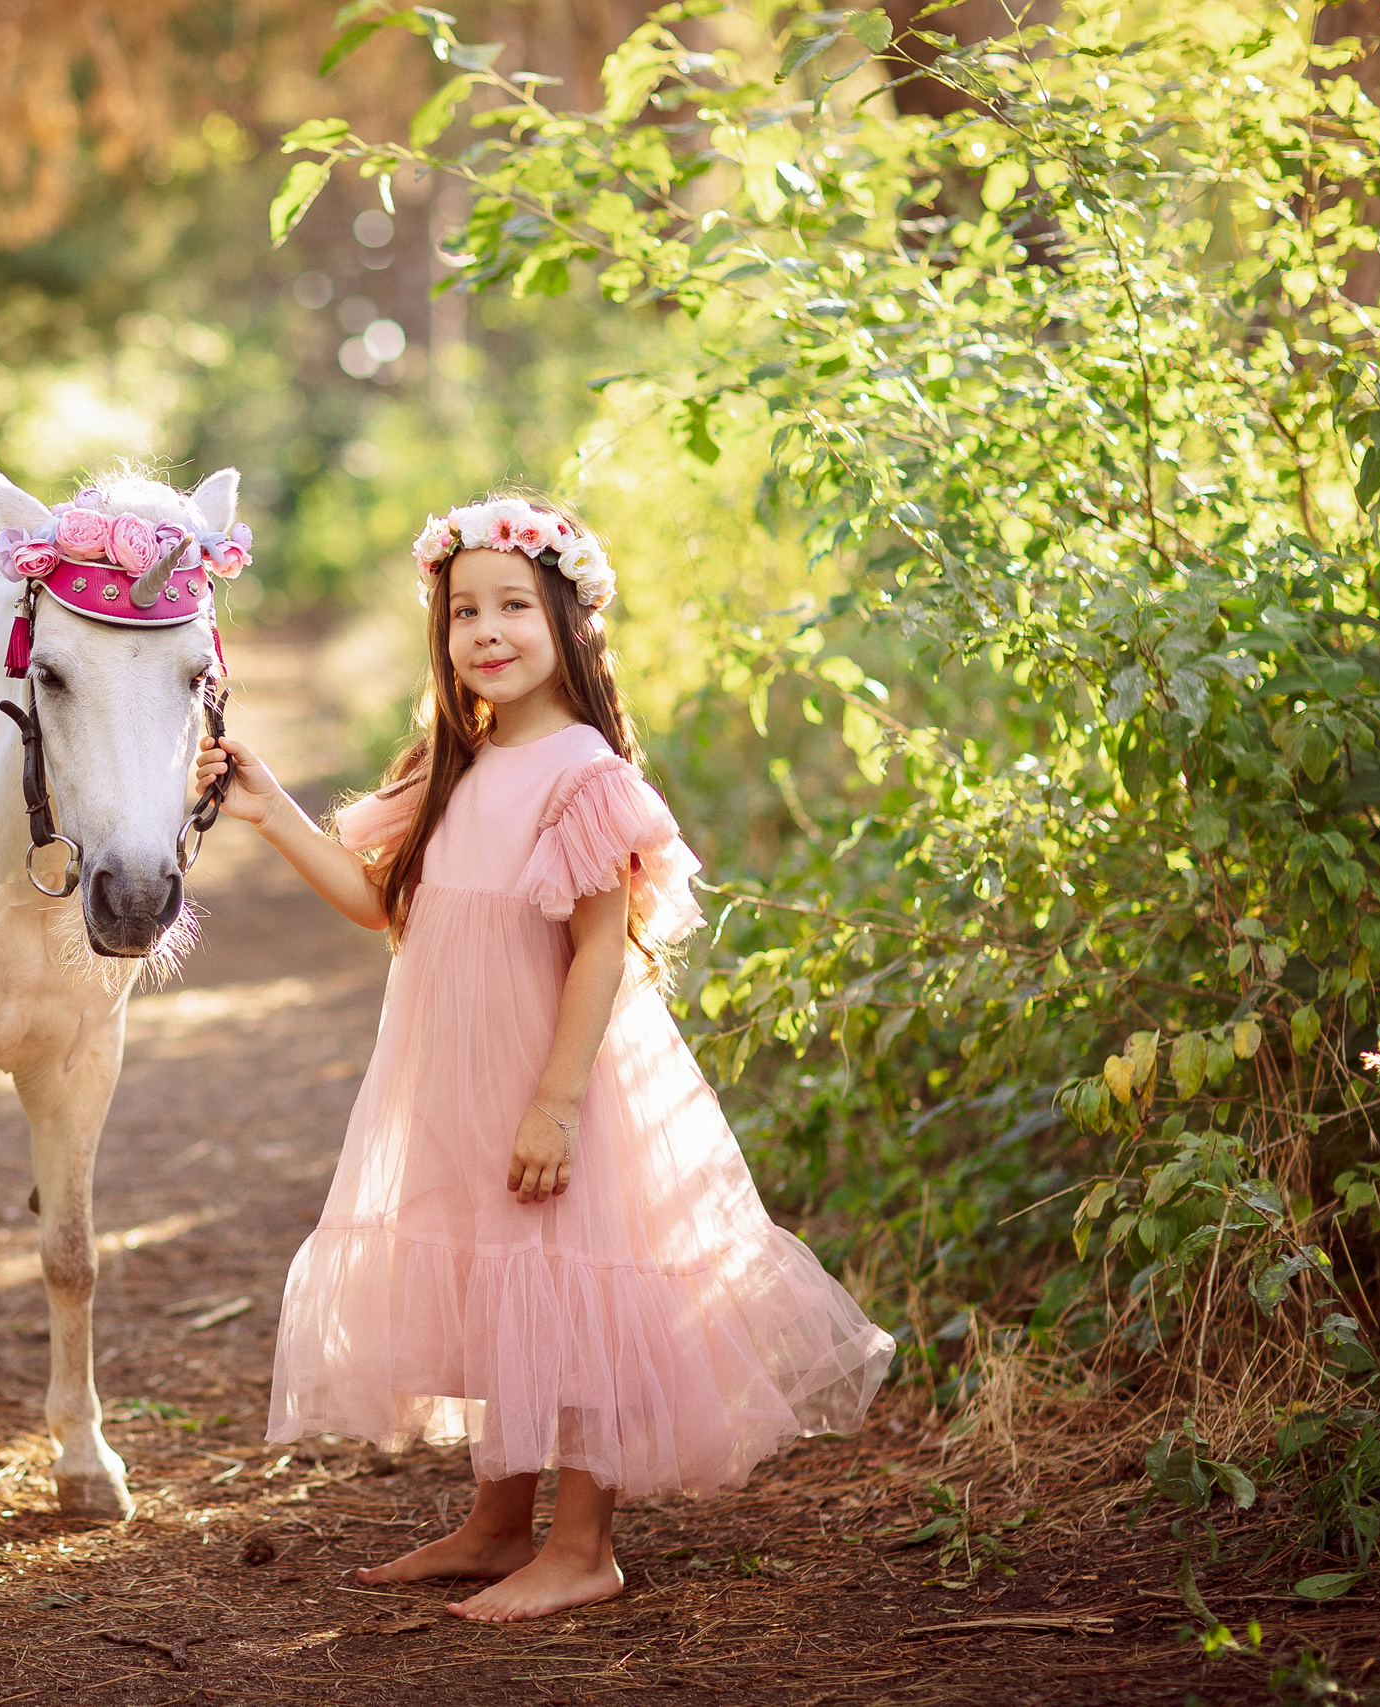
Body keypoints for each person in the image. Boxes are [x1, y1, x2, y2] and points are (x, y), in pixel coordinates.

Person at [195, 495, 895, 1622]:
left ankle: (582, 1547)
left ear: (568, 618)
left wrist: (557, 1103)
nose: (486, 630)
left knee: (575, 1283)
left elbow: (599, 951)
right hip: (457, 1076)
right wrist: (269, 807)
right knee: (493, 1276)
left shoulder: (582, 772)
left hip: (555, 1075)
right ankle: (492, 1524)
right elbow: (381, 908)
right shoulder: (454, 764)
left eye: (513, 605)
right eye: (463, 609)